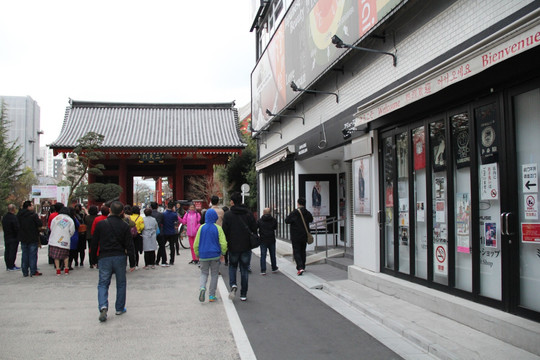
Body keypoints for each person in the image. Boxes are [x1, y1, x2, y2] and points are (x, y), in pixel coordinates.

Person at [91, 201, 135, 323]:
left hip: (104, 256)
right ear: (122, 212)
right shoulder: (125, 226)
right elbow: (130, 245)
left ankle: (103, 306)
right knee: (121, 283)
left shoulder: (101, 225)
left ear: (110, 210)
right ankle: (119, 308)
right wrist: (132, 262)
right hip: (120, 256)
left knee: (103, 283)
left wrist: (93, 259)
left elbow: (94, 243)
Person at [222, 192, 256, 301]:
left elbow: (224, 231)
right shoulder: (248, 213)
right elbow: (254, 228)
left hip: (233, 246)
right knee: (244, 269)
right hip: (246, 246)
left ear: (232, 202)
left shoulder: (228, 215)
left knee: (232, 266)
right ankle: (243, 294)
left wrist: (226, 244)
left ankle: (233, 284)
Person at [194, 208, 227, 302]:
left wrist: (197, 253)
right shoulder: (218, 228)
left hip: (203, 255)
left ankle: (202, 288)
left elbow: (196, 243)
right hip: (215, 255)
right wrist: (223, 252)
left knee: (204, 273)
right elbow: (223, 243)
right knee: (214, 274)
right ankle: (212, 295)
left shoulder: (201, 228)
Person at [285, 197, 313, 276]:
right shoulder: (307, 212)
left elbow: (287, 221)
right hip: (304, 235)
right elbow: (311, 219)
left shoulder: (294, 212)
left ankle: (300, 267)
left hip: (296, 235)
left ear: (298, 203)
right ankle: (303, 266)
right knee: (303, 251)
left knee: (296, 251)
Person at [17, 200, 43, 277]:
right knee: (33, 255)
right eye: (32, 205)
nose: (33, 207)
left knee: (25, 254)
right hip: (32, 236)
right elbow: (39, 224)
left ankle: (25, 271)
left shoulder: (19, 215)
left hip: (23, 237)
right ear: (28, 207)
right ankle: (33, 270)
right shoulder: (33, 215)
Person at [49, 207, 75, 276]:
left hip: (55, 239)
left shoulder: (55, 218)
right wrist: (69, 235)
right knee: (65, 255)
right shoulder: (69, 220)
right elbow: (72, 230)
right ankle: (66, 269)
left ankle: (58, 270)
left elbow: (51, 227)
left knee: (56, 256)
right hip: (65, 239)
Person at [257, 208, 278, 275]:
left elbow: (256, 227)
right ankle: (274, 268)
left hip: (263, 239)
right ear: (270, 213)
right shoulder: (274, 220)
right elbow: (275, 227)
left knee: (263, 255)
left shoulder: (260, 221)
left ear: (263, 212)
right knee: (273, 254)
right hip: (271, 238)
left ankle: (263, 270)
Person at [3, 204, 20, 271]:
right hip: (13, 237)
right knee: (12, 251)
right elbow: (16, 227)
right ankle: (11, 265)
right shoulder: (13, 217)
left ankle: (8, 265)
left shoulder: (5, 217)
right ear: (13, 209)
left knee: (7, 251)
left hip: (7, 236)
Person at [150, 202, 167, 267]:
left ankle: (152, 261)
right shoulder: (161, 214)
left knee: (152, 247)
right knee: (162, 246)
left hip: (151, 232)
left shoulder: (150, 214)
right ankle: (163, 261)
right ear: (157, 207)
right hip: (160, 231)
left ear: (151, 207)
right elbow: (163, 223)